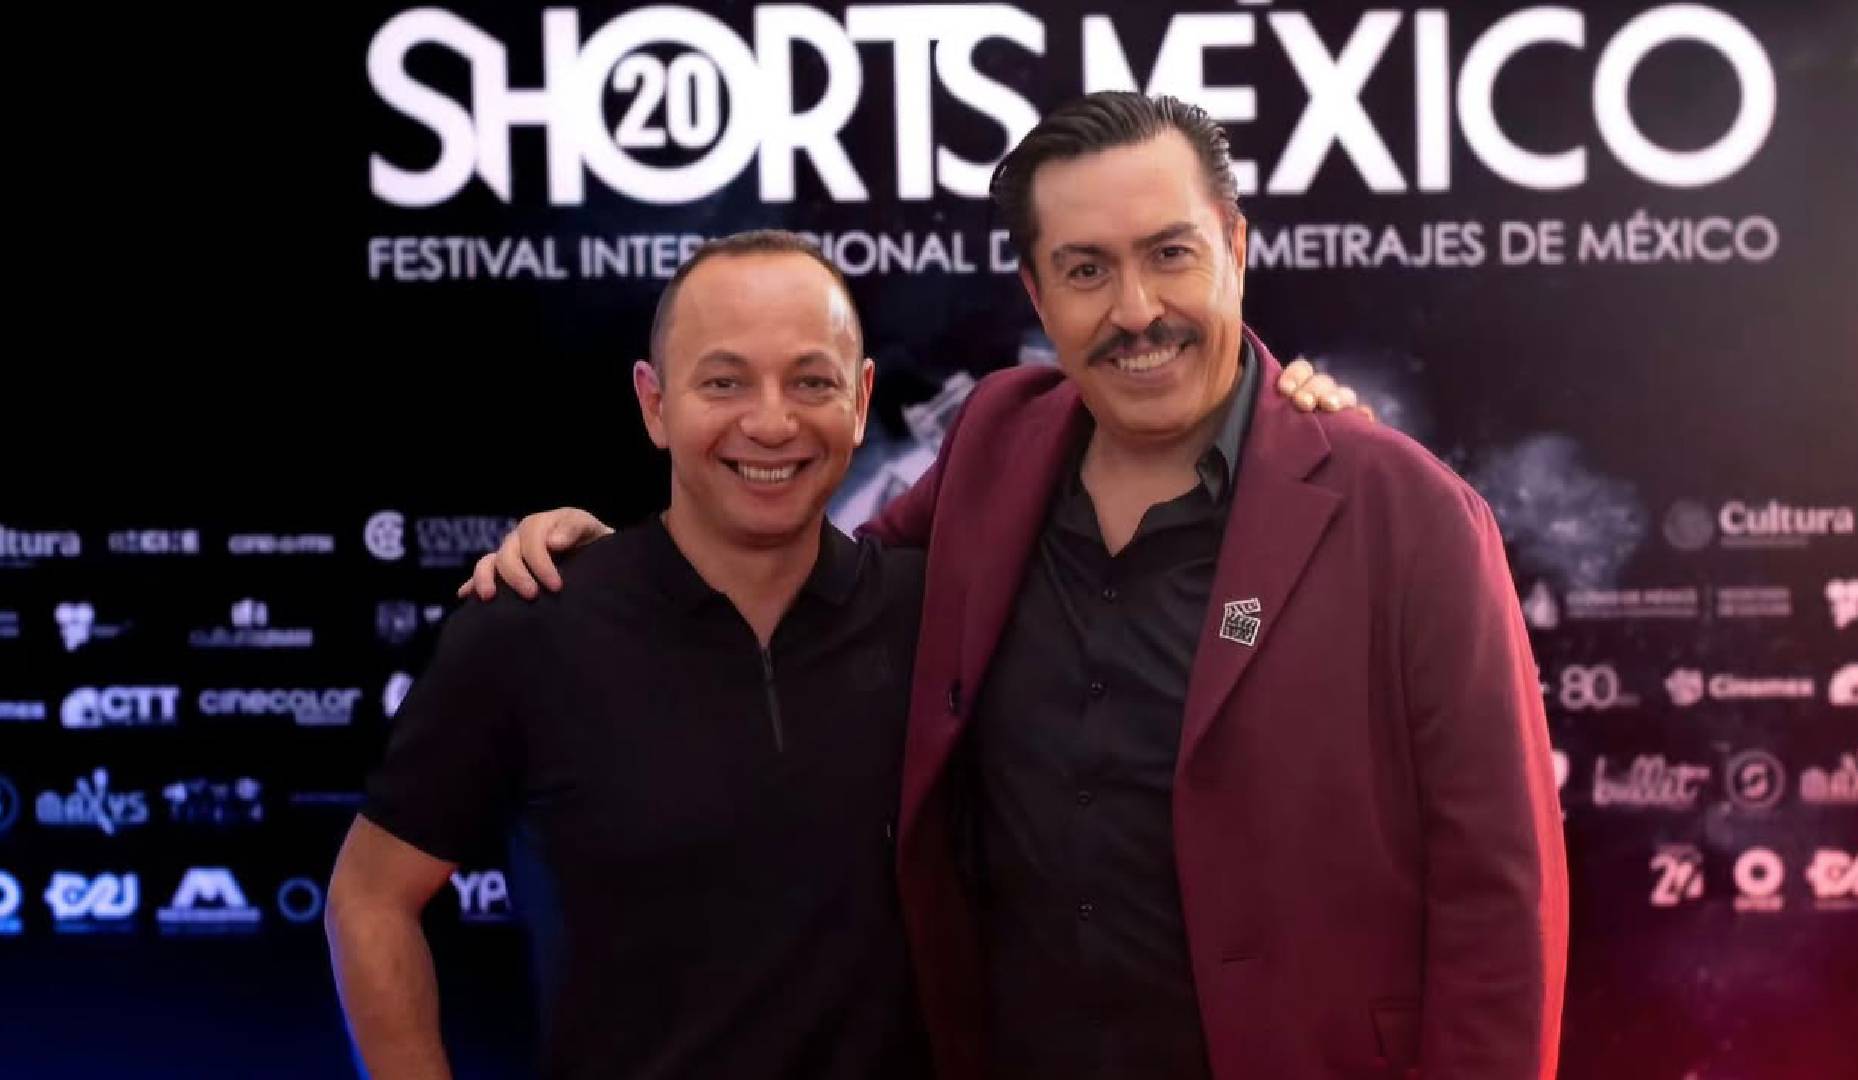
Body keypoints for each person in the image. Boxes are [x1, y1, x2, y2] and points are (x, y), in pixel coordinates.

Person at [476, 92, 1566, 1080]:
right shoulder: (997, 439)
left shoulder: (1406, 514)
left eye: (1171, 254)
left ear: (1235, 249)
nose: (1136, 309)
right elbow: (809, 590)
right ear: (1038, 294)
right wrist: (622, 563)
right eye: (1087, 270)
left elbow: (1500, 894)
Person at [326, 230, 931, 1079]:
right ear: (655, 403)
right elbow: (370, 897)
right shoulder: (531, 626)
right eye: (724, 382)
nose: (770, 422)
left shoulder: (938, 618)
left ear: (861, 400)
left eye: (811, 381)